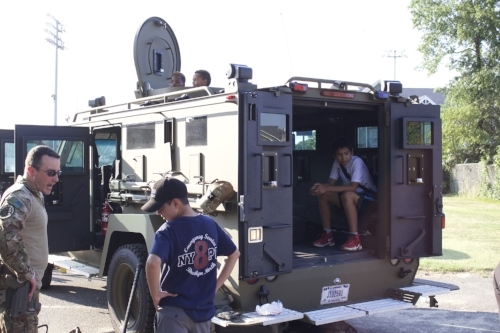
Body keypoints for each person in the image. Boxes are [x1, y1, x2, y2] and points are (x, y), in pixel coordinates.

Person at [142, 177, 240, 333]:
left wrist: (155, 295)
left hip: (174, 313)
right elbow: (234, 254)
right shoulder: (210, 224)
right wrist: (215, 286)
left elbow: (152, 263)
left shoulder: (167, 230)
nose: (158, 212)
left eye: (160, 207)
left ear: (176, 203)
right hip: (203, 314)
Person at [0, 145, 61, 332]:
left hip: (25, 288)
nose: (56, 179)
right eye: (51, 172)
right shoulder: (20, 196)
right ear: (30, 170)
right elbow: (5, 234)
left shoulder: (34, 194)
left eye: (58, 173)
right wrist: (26, 272)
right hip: (18, 289)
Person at [310, 138, 376, 251]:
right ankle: (328, 235)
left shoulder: (357, 161)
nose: (343, 157)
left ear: (352, 152)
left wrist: (326, 188)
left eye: (346, 153)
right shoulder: (337, 163)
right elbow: (330, 184)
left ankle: (355, 239)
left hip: (369, 200)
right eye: (339, 155)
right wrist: (318, 188)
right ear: (334, 155)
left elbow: (353, 187)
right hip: (353, 199)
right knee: (324, 195)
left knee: (347, 194)